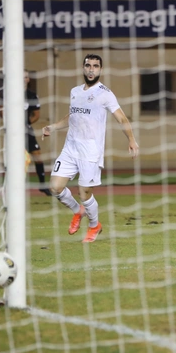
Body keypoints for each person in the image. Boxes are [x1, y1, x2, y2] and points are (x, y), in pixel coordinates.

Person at [42, 55, 139, 243]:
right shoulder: (75, 91)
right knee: (55, 187)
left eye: (95, 66)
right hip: (70, 148)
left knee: (84, 193)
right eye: (88, 65)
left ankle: (94, 225)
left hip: (90, 151)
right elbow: (72, 116)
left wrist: (132, 140)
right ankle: (78, 211)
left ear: (100, 69)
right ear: (83, 68)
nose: (91, 69)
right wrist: (52, 127)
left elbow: (121, 118)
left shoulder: (105, 94)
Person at [1, 70, 52, 195]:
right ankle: (10, 187)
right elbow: (2, 110)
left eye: (26, 77)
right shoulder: (10, 93)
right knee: (15, 159)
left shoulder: (32, 95)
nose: (24, 79)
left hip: (26, 130)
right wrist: (9, 123)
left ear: (28, 80)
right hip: (13, 131)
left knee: (38, 156)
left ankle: (42, 185)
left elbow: (36, 114)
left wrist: (26, 123)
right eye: (22, 77)